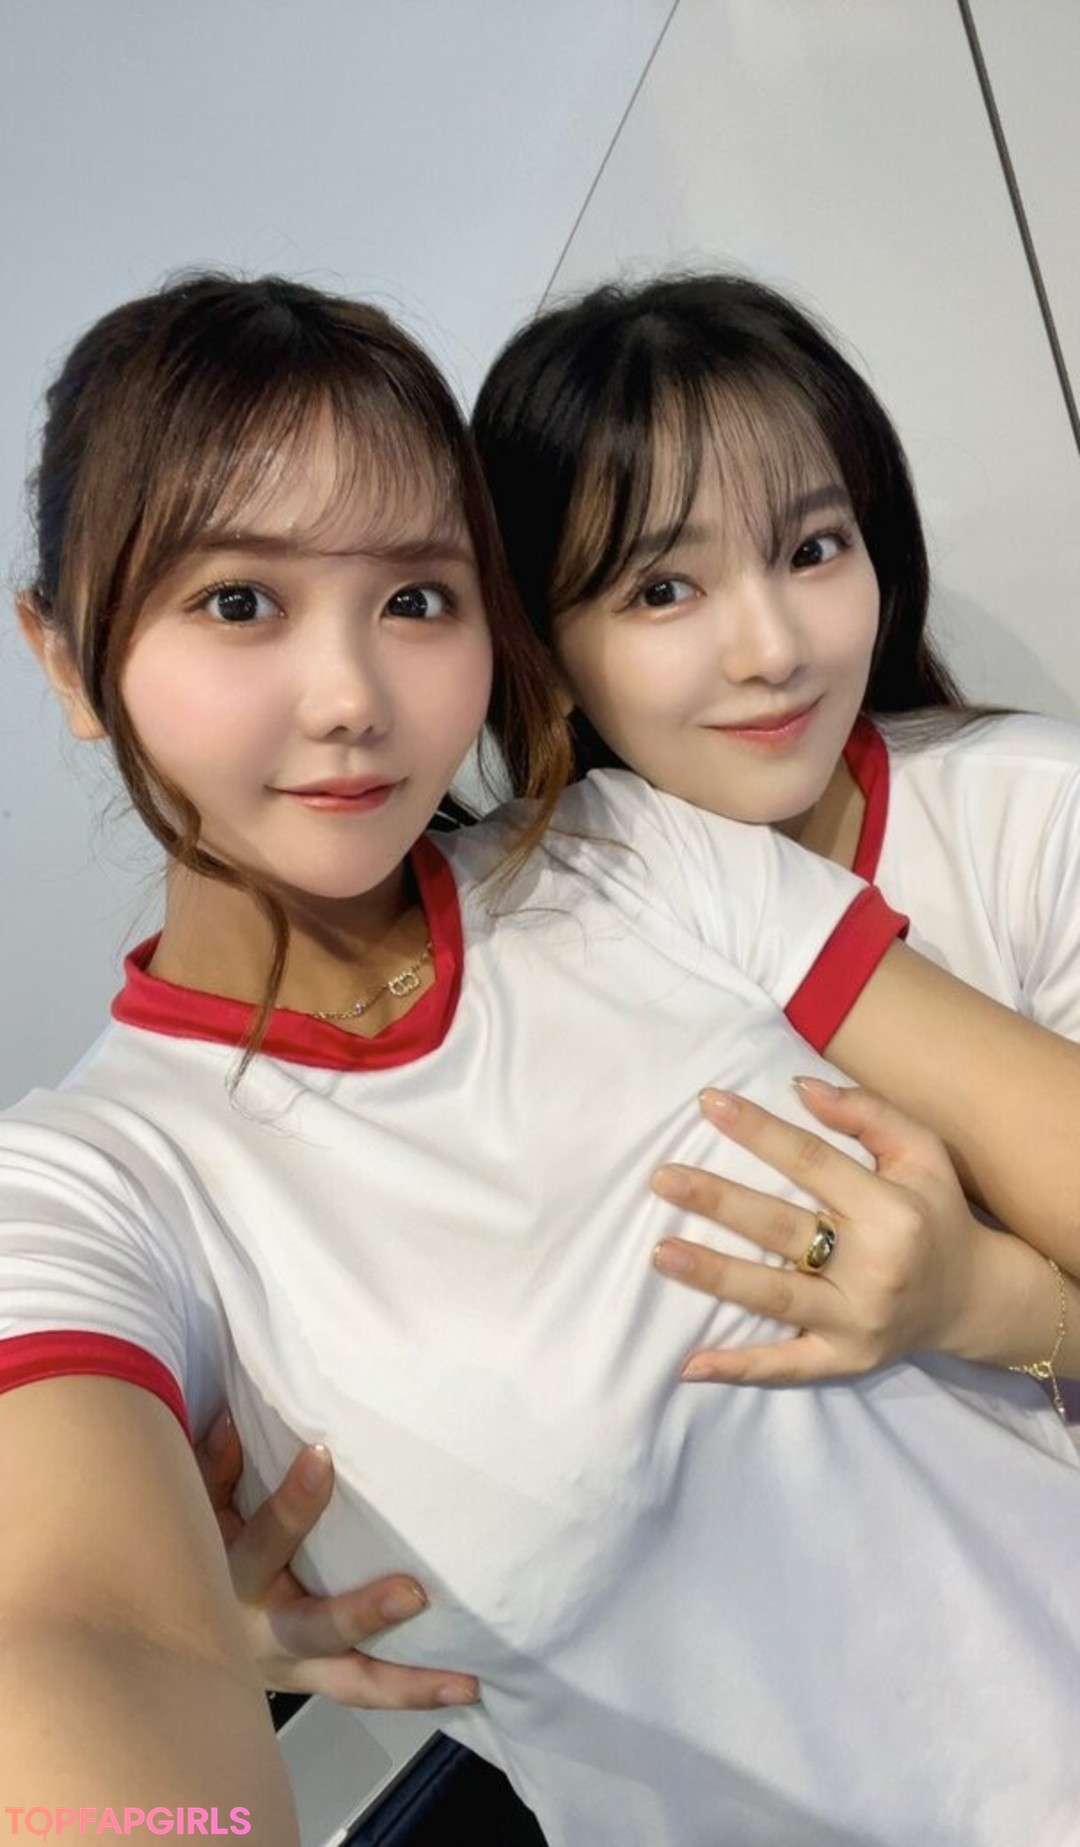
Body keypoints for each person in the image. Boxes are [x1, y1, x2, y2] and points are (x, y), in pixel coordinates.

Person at [4, 272, 1080, 1845]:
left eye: (415, 597)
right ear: (63, 654)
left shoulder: (628, 850)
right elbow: (76, 1631)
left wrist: (1010, 1304)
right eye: (238, 601)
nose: (351, 697)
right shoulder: (93, 1183)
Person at [470, 268, 1080, 1390]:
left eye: (811, 549)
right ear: (539, 652)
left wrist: (984, 1303)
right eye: (664, 589)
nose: (774, 650)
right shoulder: (522, 939)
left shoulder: (1039, 816)